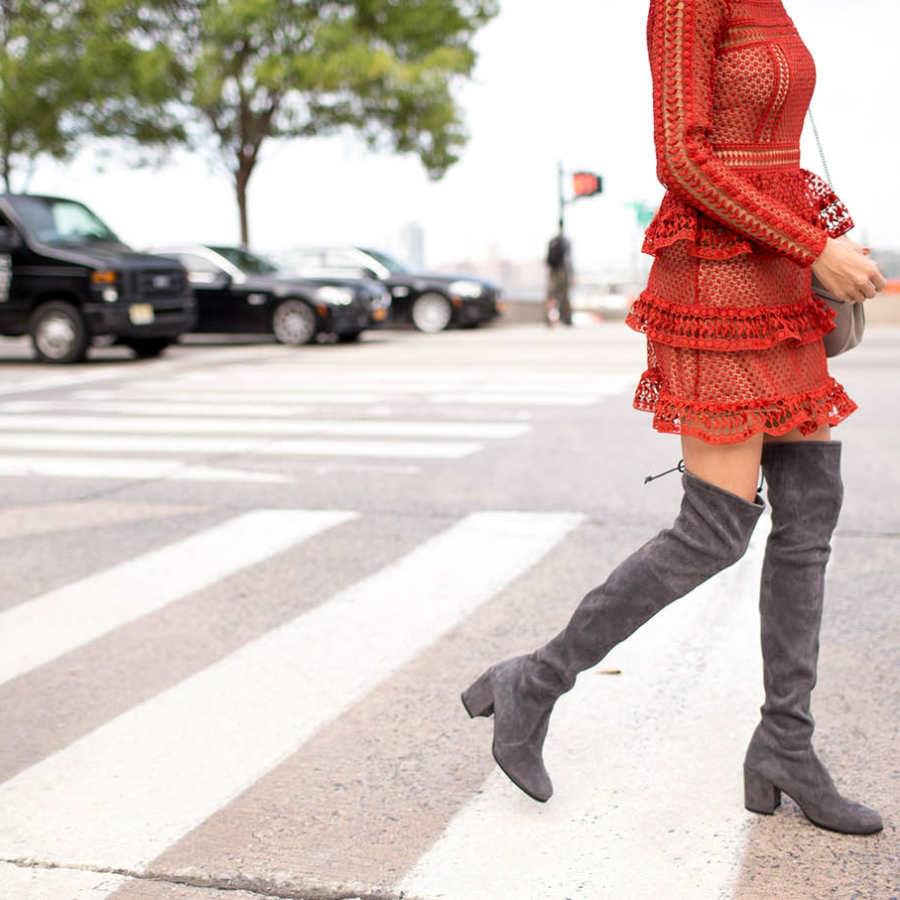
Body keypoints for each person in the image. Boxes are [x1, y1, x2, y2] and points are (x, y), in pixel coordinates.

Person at [461, 0, 886, 835]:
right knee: (715, 529)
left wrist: (813, 249)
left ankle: (785, 748)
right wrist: (813, 247)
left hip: (783, 274)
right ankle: (533, 683)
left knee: (811, 512)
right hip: (721, 278)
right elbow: (681, 159)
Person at [545, 226, 573, 326]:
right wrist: (571, 274)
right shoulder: (566, 241)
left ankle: (549, 319)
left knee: (551, 296)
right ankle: (566, 319)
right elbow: (569, 258)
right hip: (562, 270)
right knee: (564, 295)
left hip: (552, 271)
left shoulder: (552, 241)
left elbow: (547, 259)